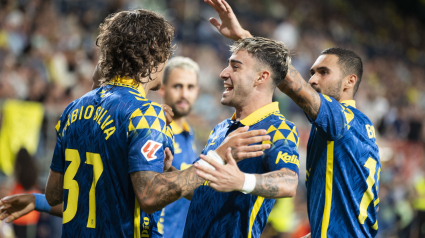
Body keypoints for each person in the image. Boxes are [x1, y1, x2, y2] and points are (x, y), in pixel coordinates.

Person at [0, 9, 271, 238]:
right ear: (154, 53)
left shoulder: (73, 108)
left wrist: (37, 201)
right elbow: (150, 197)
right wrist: (216, 158)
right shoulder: (145, 113)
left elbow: (56, 193)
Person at [200, 1, 381, 237]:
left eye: (324, 72)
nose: (314, 80)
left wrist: (247, 40)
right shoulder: (359, 125)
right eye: (312, 73)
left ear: (350, 81)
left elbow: (297, 89)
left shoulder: (342, 118)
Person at [183, 36, 300, 237]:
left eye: (235, 67)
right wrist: (172, 171)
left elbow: (289, 182)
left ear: (261, 77)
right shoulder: (222, 128)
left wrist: (243, 181)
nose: (223, 73)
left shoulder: (278, 128)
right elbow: (203, 190)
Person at [156, 56, 200, 237]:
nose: (184, 94)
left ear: (197, 91)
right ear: (162, 88)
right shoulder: (156, 130)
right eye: (177, 86)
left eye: (190, 87)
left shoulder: (190, 134)